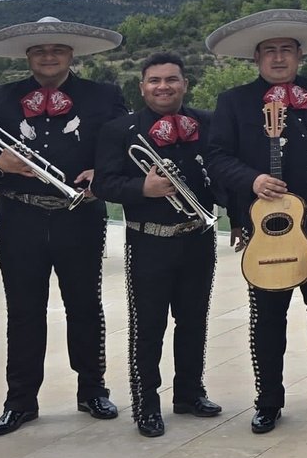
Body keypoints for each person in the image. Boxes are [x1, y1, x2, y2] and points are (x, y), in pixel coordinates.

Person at [205, 9, 307, 435]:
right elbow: (217, 157)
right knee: (269, 315)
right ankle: (269, 400)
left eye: (287, 51)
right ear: (256, 58)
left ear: (299, 56)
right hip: (268, 225)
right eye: (270, 51)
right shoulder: (234, 101)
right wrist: (252, 180)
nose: (279, 59)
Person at [0, 17, 127, 435]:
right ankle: (20, 401)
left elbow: (124, 147)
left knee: (85, 306)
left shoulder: (103, 95)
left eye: (57, 49)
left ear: (71, 54)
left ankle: (92, 389)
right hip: (19, 216)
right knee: (23, 311)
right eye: (39, 50)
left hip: (80, 215)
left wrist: (102, 172)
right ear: (28, 56)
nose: (49, 56)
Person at [92, 51, 224, 437]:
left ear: (185, 84)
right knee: (148, 326)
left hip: (198, 238)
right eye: (155, 80)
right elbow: (102, 183)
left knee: (193, 320)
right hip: (148, 240)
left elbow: (219, 175)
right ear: (142, 86)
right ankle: (146, 404)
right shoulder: (120, 130)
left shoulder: (207, 123)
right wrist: (143, 188)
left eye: (171, 79)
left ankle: (189, 393)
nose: (163, 86)